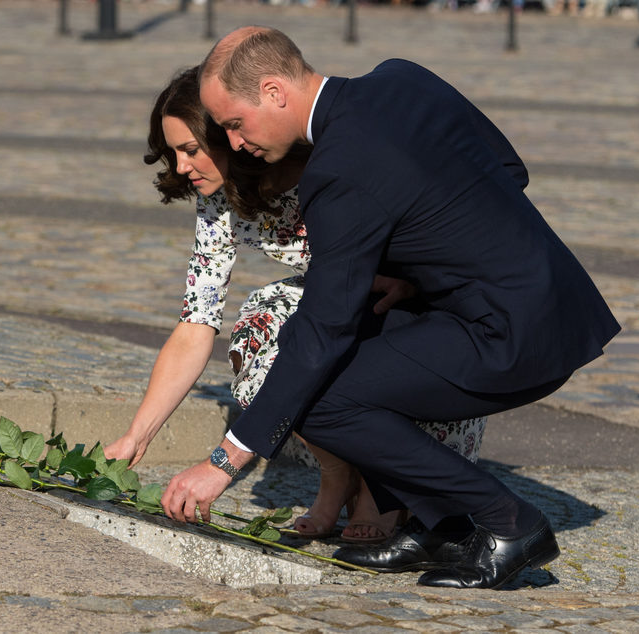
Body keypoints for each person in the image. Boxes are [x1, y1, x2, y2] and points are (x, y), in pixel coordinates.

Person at [165, 26, 621, 590]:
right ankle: (445, 526)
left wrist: (225, 461)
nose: (233, 144)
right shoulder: (401, 77)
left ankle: (511, 523)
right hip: (546, 301)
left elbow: (322, 328)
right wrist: (415, 276)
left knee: (320, 398)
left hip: (511, 332)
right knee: (359, 338)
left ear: (275, 91)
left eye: (235, 123)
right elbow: (508, 170)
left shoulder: (335, 173)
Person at [104, 67, 489, 544]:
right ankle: (337, 472)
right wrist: (137, 436)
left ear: (231, 134)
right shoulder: (218, 201)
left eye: (189, 150)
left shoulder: (328, 167)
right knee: (263, 325)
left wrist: (411, 282)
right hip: (332, 313)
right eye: (172, 153)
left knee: (351, 330)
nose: (180, 167)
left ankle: (380, 485)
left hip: (412, 322)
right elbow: (196, 323)